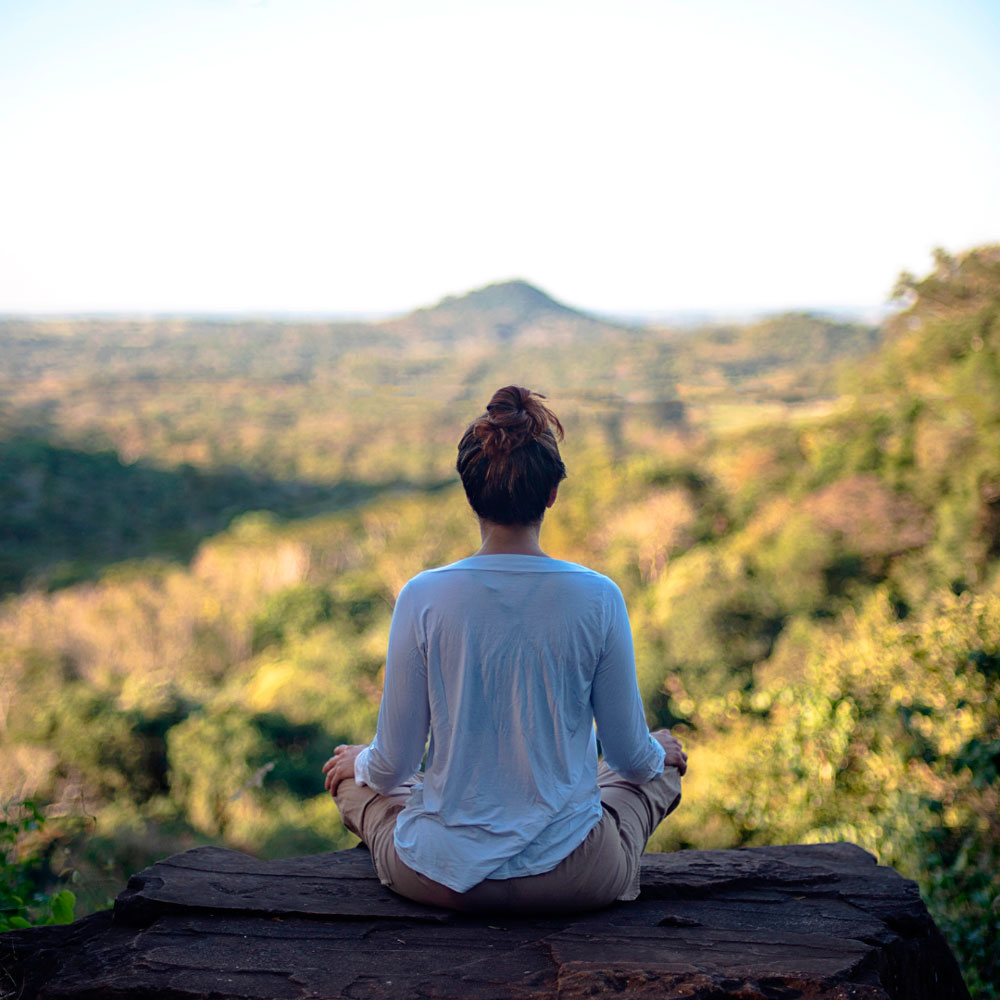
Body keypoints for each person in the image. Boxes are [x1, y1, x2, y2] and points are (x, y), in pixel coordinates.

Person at [322, 385, 686, 912]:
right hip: (576, 878)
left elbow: (394, 768)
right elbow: (630, 759)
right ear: (551, 494)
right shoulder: (599, 596)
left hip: (440, 878)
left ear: (471, 493)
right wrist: (658, 752)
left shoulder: (422, 594)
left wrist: (362, 762)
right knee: (658, 764)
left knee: (355, 781)